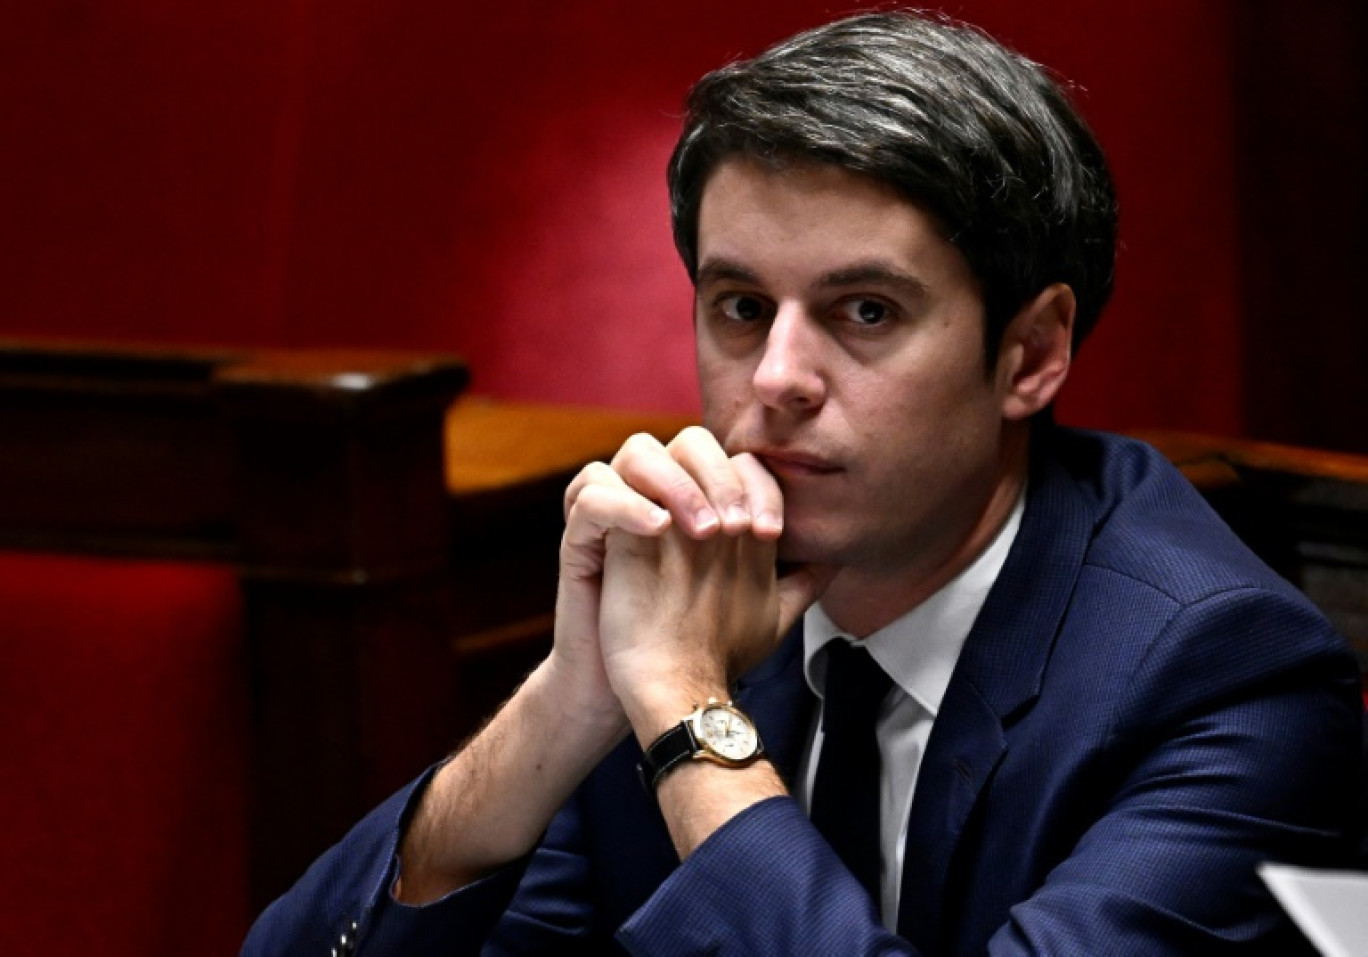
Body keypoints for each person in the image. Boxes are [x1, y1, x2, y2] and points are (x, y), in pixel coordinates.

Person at [243, 11, 1363, 955]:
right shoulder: (689, 606)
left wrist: (689, 719)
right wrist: (576, 696)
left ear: (1030, 355)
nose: (775, 380)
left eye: (864, 312)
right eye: (739, 308)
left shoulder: (1224, 681)